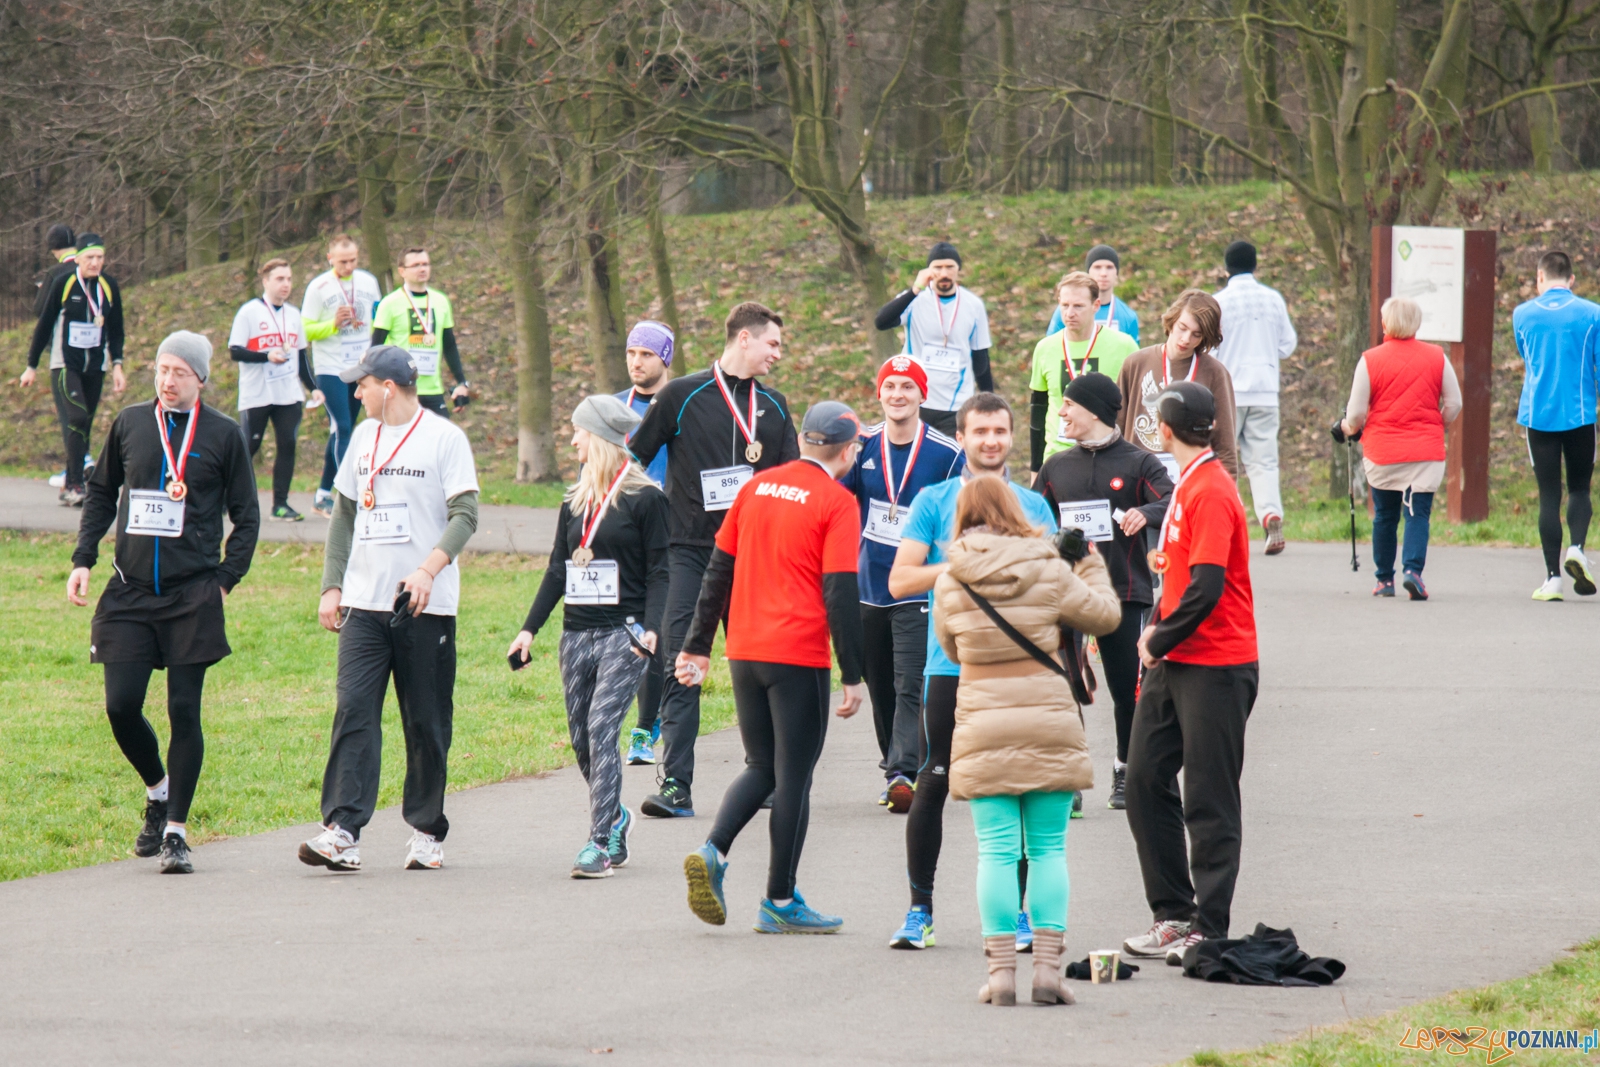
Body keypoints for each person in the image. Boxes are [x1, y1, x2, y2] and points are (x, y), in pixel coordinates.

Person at [67, 331, 260, 875]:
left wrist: (225, 579)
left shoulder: (224, 434)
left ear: (201, 378)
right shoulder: (130, 423)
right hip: (129, 591)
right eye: (161, 369)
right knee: (121, 705)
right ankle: (158, 790)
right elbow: (101, 490)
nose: (167, 380)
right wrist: (83, 558)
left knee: (183, 710)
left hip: (192, 594)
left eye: (179, 372)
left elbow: (247, 516)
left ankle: (176, 831)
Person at [679, 401, 866, 934]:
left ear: (804, 441)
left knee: (762, 765)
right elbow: (840, 590)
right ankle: (779, 901)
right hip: (797, 653)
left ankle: (714, 850)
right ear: (848, 451)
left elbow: (718, 570)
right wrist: (852, 673)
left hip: (745, 648)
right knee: (794, 779)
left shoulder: (755, 487)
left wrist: (697, 645)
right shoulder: (838, 501)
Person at [933, 475, 1120, 1005]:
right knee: (1047, 849)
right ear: (1014, 512)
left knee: (995, 851)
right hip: (1048, 723)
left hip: (983, 725)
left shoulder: (950, 580)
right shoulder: (1049, 567)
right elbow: (1105, 617)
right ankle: (1046, 972)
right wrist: (1089, 564)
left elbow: (953, 650)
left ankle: (999, 977)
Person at [886, 392, 1058, 952]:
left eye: (1000, 431)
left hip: (1018, 668)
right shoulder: (933, 500)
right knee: (933, 780)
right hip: (950, 667)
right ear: (960, 438)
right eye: (980, 431)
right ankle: (919, 912)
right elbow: (900, 580)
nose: (991, 441)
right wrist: (963, 565)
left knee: (1018, 786)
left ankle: (1021, 916)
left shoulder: (1033, 506)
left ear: (1011, 437)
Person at [299, 346, 480, 874]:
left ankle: (426, 831)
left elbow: (466, 515)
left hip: (424, 604)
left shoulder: (444, 438)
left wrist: (428, 570)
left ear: (389, 387)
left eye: (362, 384)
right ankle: (342, 831)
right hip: (363, 603)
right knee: (354, 710)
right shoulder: (362, 437)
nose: (355, 392)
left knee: (425, 720)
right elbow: (343, 517)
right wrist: (332, 586)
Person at [627, 302, 801, 820]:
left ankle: (765, 776)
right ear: (744, 338)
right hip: (690, 553)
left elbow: (792, 481)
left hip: (753, 558)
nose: (778, 354)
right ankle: (675, 785)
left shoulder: (774, 406)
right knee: (682, 661)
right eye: (772, 343)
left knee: (760, 666)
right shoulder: (681, 395)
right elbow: (633, 462)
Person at [1122, 381, 1258, 964]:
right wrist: (1159, 630)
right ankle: (1173, 914)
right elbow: (1178, 578)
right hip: (1174, 660)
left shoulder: (1212, 489)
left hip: (1217, 665)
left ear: (1165, 430)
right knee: (1144, 780)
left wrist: (1157, 637)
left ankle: (1210, 926)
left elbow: (1206, 588)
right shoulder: (1187, 481)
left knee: (1208, 797)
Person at [510, 395, 669, 878]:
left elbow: (661, 572)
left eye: (579, 430)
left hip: (625, 634)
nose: (573, 438)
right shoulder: (573, 500)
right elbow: (558, 570)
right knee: (582, 739)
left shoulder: (647, 499)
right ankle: (616, 815)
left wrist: (652, 630)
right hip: (576, 634)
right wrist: (529, 629)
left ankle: (598, 843)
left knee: (602, 729)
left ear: (599, 436)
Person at [1035, 372, 1173, 808]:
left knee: (1127, 689)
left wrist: (1146, 513)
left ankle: (1125, 770)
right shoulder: (1057, 466)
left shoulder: (1139, 463)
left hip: (1124, 592)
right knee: (1063, 687)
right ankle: (1069, 777)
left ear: (1093, 411)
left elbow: (1174, 500)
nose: (1061, 412)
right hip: (1065, 594)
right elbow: (1032, 517)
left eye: (1069, 404)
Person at [839, 355, 964, 812]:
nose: (898, 395)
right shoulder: (862, 446)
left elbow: (959, 513)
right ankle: (893, 764)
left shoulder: (947, 453)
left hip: (918, 586)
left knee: (911, 680)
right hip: (869, 584)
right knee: (881, 684)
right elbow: (839, 500)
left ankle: (903, 772)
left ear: (922, 395)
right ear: (879, 394)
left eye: (907, 387)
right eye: (890, 386)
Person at [1335, 296, 1461, 601]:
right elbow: (1454, 403)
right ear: (1417, 323)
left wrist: (1346, 428)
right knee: (1418, 514)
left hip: (1383, 452)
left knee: (1385, 516)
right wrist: (1437, 423)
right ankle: (1413, 572)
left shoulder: (1370, 360)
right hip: (1426, 452)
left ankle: (1384, 580)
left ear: (1384, 323)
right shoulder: (1437, 356)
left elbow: (1355, 414)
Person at [1512, 250, 1600, 601]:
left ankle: (1552, 580)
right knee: (1579, 489)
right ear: (1572, 280)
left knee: (1549, 496)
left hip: (1539, 416)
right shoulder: (1592, 314)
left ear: (1540, 277)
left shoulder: (1522, 314)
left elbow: (1526, 355)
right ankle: (1576, 548)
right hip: (1580, 414)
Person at [24, 232, 127, 507]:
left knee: (84, 424)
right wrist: (31, 366)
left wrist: (117, 365)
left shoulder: (108, 286)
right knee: (77, 417)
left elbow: (116, 329)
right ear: (78, 259)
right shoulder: (64, 283)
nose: (95, 263)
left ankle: (72, 485)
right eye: (90, 257)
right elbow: (44, 325)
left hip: (95, 365)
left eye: (100, 257)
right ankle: (75, 483)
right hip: (65, 365)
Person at [1212, 241, 1298, 555]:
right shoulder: (1273, 299)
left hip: (1229, 392)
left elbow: (1210, 350)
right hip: (1265, 391)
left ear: (1226, 268)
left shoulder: (1219, 302)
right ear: (1255, 265)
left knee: (1222, 461)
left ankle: (1222, 524)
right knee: (1264, 461)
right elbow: (1287, 345)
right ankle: (1270, 514)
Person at [616, 320, 674, 766]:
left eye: (646, 354)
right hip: (623, 536)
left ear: (665, 359)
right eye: (632, 353)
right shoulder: (612, 408)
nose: (636, 362)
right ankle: (648, 722)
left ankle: (647, 726)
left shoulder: (683, 404)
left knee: (662, 631)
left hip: (673, 536)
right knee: (636, 633)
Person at [229, 257, 323, 522]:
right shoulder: (249, 312)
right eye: (280, 279)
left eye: (289, 279)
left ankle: (280, 505)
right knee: (249, 445)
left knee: (288, 443)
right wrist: (266, 356)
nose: (286, 284)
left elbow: (301, 356)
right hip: (257, 392)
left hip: (288, 393)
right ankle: (224, 495)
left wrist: (313, 388)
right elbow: (235, 351)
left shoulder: (294, 314)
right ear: (265, 281)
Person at [1116, 289, 1239, 481]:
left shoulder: (1215, 373)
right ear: (1173, 320)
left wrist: (1226, 486)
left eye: (1196, 334)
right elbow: (1116, 427)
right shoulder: (1136, 363)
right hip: (1138, 480)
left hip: (1193, 481)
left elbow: (1224, 444)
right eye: (1183, 327)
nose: (1186, 339)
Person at [873, 243, 994, 436]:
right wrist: (915, 290)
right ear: (928, 270)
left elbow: (981, 357)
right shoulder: (914, 299)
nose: (944, 273)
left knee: (951, 454)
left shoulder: (973, 305)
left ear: (958, 269)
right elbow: (881, 322)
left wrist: (989, 400)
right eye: (937, 267)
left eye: (950, 267)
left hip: (956, 404)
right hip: (916, 400)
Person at [301, 235, 383, 518]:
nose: (349, 266)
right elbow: (305, 330)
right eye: (343, 261)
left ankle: (323, 494)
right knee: (344, 426)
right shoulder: (319, 287)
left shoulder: (368, 281)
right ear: (330, 259)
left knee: (341, 431)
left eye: (353, 260)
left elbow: (378, 317)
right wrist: (332, 324)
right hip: (331, 368)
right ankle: (351, 495)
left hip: (360, 366)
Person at [1028, 271, 1140, 474]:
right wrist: (1036, 469)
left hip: (1108, 457)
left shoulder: (1124, 346)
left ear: (1096, 306)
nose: (1070, 313)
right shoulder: (1045, 348)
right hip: (1058, 459)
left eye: (1078, 306)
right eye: (1065, 305)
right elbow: (1038, 409)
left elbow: (1137, 407)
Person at [371, 246, 471, 418]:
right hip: (402, 390)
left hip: (433, 390)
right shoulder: (390, 303)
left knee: (441, 435)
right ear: (402, 271)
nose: (422, 269)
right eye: (416, 265)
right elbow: (375, 349)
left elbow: (449, 345)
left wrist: (461, 382)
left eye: (425, 264)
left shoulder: (441, 301)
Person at [1046, 245, 1140, 342]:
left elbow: (1133, 350)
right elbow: (1051, 345)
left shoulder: (1128, 316)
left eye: (1109, 267)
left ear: (1116, 273)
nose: (1103, 273)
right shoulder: (1067, 311)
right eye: (1097, 267)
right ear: (1088, 272)